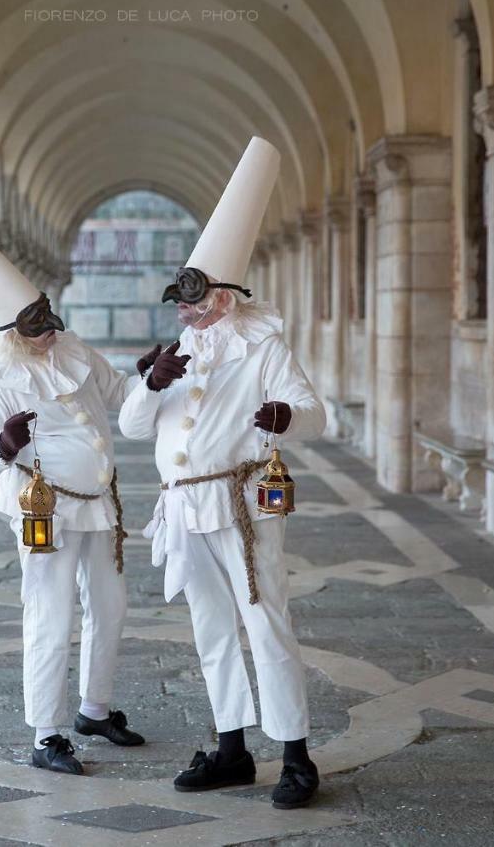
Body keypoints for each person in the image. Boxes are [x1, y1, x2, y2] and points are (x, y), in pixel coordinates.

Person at [118, 137, 325, 809]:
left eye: (195, 299)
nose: (184, 310)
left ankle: (295, 754)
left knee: (267, 623)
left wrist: (281, 416)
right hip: (183, 510)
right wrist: (151, 382)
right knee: (210, 629)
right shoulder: (174, 354)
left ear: (224, 298)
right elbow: (130, 426)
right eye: (181, 300)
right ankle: (233, 750)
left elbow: (314, 410)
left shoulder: (261, 345)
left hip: (242, 504)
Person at [0, 192, 149, 776]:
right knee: (50, 613)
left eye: (48, 315)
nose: (49, 331)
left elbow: (119, 394)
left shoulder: (71, 347)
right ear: (10, 326)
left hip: (101, 500)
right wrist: (5, 446)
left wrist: (153, 374)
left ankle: (94, 709)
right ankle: (47, 732)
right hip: (44, 510)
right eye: (36, 324)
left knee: (111, 605)